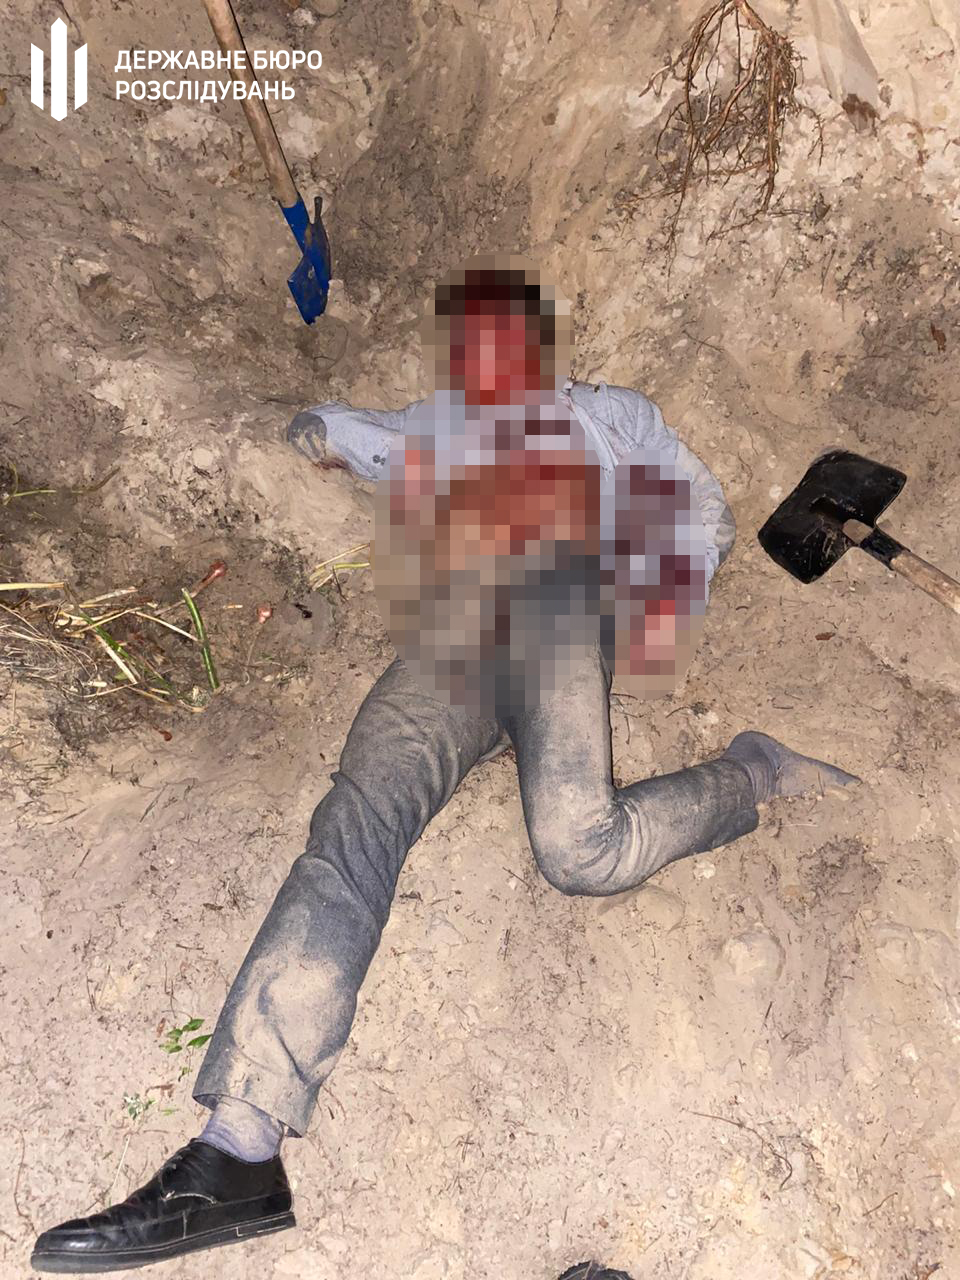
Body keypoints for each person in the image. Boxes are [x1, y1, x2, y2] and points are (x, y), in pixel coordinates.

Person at [31, 257, 858, 1274]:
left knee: (580, 849)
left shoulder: (611, 416)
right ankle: (239, 1146)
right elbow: (366, 435)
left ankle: (754, 772)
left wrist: (642, 594)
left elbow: (705, 510)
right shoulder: (446, 421)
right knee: (358, 816)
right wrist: (322, 430)